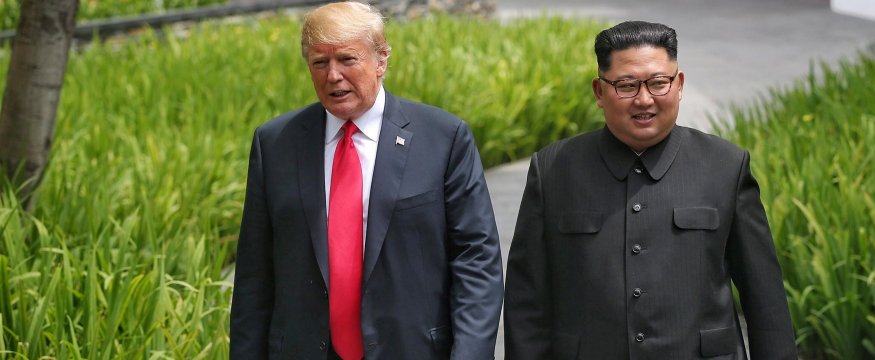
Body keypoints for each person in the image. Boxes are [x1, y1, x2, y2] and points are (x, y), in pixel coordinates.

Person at [503, 21, 797, 359]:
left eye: (659, 83)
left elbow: (765, 299)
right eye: (626, 85)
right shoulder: (554, 170)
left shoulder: (725, 166)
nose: (644, 100)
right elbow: (526, 301)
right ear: (599, 92)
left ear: (680, 84)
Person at [229, 2, 504, 359]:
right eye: (319, 62)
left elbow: (476, 260)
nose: (333, 75)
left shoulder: (443, 138)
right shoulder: (275, 143)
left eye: (347, 59)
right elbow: (254, 275)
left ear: (381, 60)